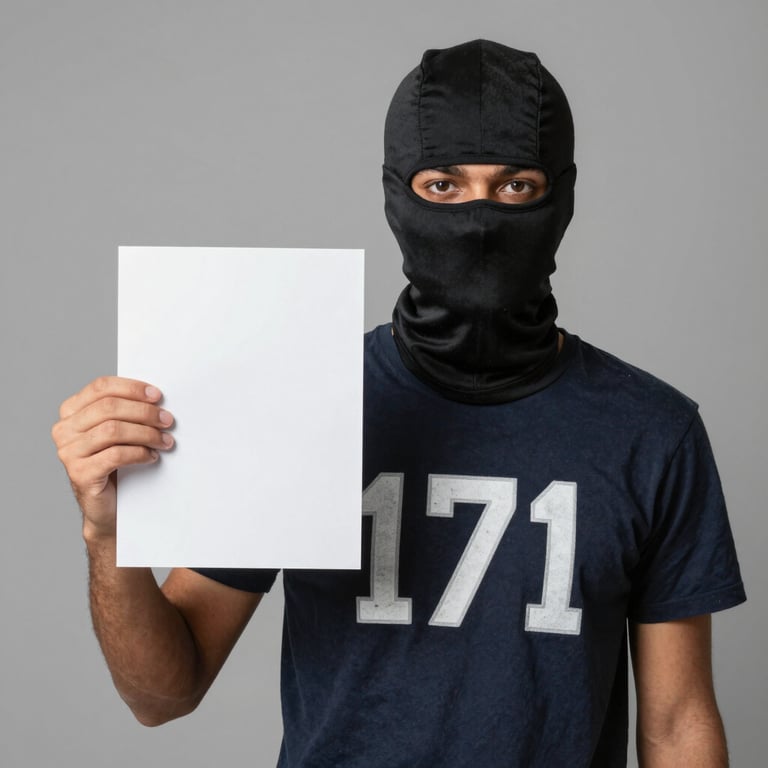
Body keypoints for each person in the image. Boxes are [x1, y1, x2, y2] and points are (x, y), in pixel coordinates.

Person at [51, 40, 745, 767]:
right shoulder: (302, 397)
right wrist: (108, 535)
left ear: (560, 197)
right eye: (443, 185)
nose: (480, 218)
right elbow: (164, 693)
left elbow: (676, 723)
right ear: (396, 196)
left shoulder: (651, 431)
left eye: (516, 186)